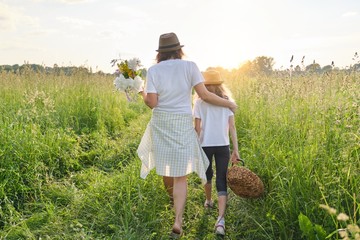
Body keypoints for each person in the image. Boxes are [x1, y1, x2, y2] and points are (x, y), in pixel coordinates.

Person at [137, 32, 237, 238]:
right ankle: (178, 220)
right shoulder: (190, 66)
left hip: (162, 122)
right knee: (180, 176)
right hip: (182, 122)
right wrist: (228, 103)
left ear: (160, 53)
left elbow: (152, 103)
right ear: (178, 49)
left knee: (165, 164)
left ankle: (172, 203)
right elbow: (205, 95)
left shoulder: (153, 70)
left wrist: (141, 93)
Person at [193, 69, 240, 236]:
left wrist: (194, 146)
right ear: (220, 85)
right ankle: (221, 220)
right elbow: (232, 127)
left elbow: (197, 128)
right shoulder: (227, 102)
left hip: (205, 145)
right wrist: (236, 149)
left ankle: (208, 200)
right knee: (221, 179)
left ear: (204, 86)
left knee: (207, 175)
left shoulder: (199, 102)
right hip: (223, 145)